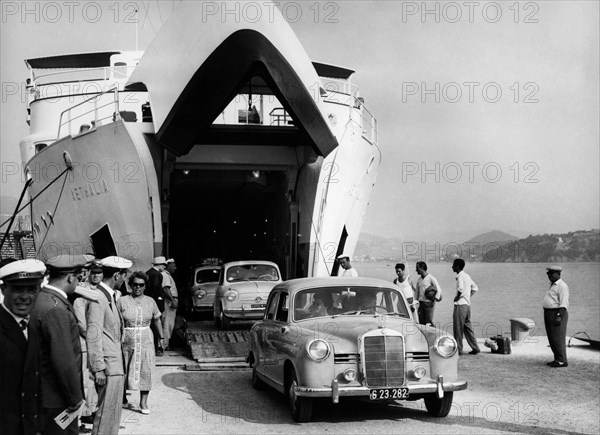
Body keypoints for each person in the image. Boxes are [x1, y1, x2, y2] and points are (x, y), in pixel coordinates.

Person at [29, 254, 90, 435]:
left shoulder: (41, 299)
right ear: (70, 277)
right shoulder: (56, 309)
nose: (78, 283)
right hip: (57, 398)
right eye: (78, 278)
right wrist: (75, 398)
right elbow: (63, 360)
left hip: (42, 393)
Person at [0, 259, 46, 435]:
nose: (25, 297)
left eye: (32, 290)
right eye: (18, 289)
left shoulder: (33, 325)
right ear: (4, 290)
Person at [87, 256, 131, 435]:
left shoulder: (108, 296)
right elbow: (93, 333)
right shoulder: (99, 297)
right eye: (124, 276)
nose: (124, 280)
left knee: (112, 415)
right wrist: (98, 368)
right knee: (105, 414)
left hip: (114, 364)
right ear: (117, 275)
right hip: (108, 365)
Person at [117, 272, 164, 414]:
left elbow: (156, 319)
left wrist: (161, 338)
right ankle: (123, 399)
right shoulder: (122, 301)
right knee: (124, 368)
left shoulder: (150, 301)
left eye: (141, 285)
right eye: (135, 284)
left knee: (146, 369)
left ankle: (143, 403)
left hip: (146, 340)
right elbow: (116, 321)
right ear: (130, 285)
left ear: (145, 286)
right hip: (127, 339)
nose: (138, 287)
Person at [73, 259, 103, 428]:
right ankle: (83, 416)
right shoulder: (82, 293)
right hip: (85, 343)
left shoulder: (100, 290)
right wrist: (93, 338)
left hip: (95, 342)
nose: (96, 275)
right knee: (86, 380)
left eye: (99, 272)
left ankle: (90, 412)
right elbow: (81, 324)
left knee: (92, 379)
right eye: (93, 272)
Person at [452, 258, 480, 355]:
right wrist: (468, 296)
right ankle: (475, 347)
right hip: (467, 305)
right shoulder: (467, 276)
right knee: (468, 327)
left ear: (458, 267)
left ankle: (459, 349)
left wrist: (457, 297)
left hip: (460, 305)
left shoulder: (460, 276)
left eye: (454, 265)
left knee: (458, 328)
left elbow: (460, 288)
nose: (452, 267)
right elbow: (475, 287)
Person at [543, 266, 569, 368]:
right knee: (552, 337)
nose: (550, 276)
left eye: (552, 274)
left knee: (558, 337)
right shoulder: (553, 285)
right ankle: (557, 359)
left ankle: (562, 360)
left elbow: (564, 303)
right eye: (548, 274)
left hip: (557, 313)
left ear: (558, 274)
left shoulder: (562, 286)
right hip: (549, 313)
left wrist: (559, 316)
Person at [146, 257, 167, 356]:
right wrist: (159, 298)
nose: (164, 267)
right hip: (155, 303)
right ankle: (156, 347)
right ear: (158, 265)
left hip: (147, 302)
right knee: (156, 325)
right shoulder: (157, 274)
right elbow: (156, 287)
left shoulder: (148, 272)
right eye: (164, 265)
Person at [415, 261, 442, 325]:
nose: (416, 270)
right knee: (421, 322)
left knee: (428, 323)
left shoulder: (431, 278)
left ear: (421, 268)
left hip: (429, 303)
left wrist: (434, 299)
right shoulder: (419, 280)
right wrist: (415, 303)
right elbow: (416, 293)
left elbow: (439, 290)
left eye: (417, 268)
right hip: (421, 303)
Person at [161, 259, 178, 350]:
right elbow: (166, 289)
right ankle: (165, 344)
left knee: (169, 323)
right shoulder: (165, 275)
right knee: (167, 323)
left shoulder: (168, 275)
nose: (175, 268)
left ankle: (165, 344)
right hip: (169, 301)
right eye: (173, 266)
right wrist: (172, 300)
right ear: (168, 265)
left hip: (171, 300)